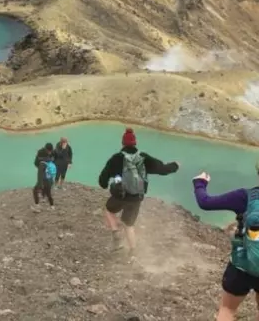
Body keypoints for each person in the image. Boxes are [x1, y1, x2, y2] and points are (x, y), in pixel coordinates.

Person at [98, 127, 179, 257]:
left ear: (122, 143)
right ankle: (132, 252)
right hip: (137, 197)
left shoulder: (116, 158)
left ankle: (115, 233)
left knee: (108, 210)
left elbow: (102, 180)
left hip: (120, 195)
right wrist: (175, 165)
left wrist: (107, 183)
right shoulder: (144, 158)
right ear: (135, 143)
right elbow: (162, 169)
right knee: (129, 224)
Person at [193, 166, 259, 321]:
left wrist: (199, 183)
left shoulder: (245, 196)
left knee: (227, 309)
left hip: (241, 265)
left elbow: (205, 202)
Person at [32, 143, 57, 211]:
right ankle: (52, 206)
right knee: (48, 193)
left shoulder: (41, 164)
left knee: (34, 191)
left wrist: (40, 186)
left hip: (44, 180)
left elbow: (39, 176)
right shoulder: (50, 160)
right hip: (50, 180)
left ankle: (37, 207)